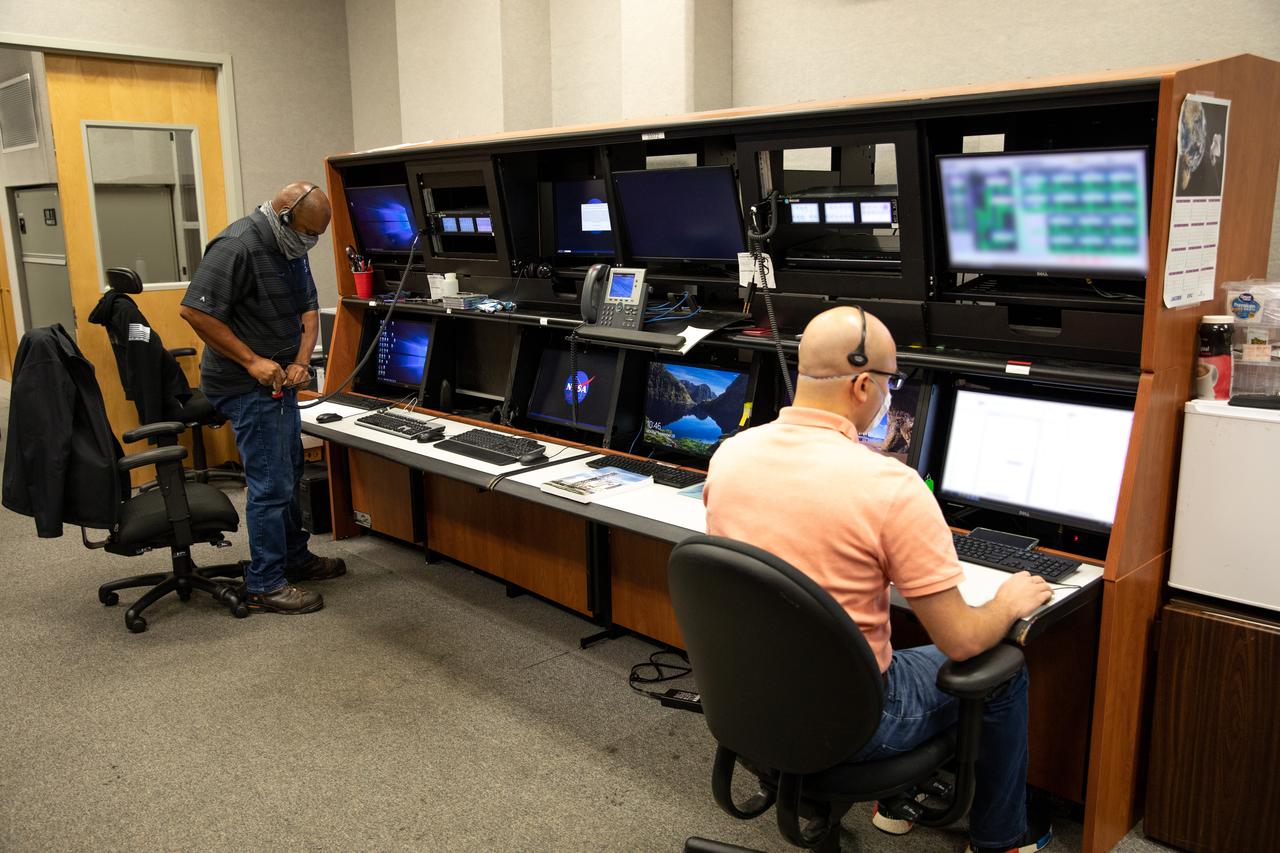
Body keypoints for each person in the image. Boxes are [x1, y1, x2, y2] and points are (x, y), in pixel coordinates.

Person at [703, 306, 1054, 853]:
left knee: (892, 635)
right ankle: (1002, 839)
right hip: (856, 722)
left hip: (748, 702)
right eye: (892, 382)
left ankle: (896, 803)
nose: (891, 394)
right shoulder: (890, 486)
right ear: (865, 384)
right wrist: (1008, 601)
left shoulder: (731, 455)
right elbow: (961, 638)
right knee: (998, 668)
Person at [179, 182, 346, 615]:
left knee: (289, 471)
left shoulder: (291, 245)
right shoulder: (237, 245)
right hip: (244, 382)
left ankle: (295, 558)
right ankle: (266, 581)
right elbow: (195, 311)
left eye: (317, 236)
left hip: (281, 378)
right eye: (308, 232)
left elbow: (308, 309)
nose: (311, 242)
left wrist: (301, 360)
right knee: (272, 484)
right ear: (285, 214)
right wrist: (253, 361)